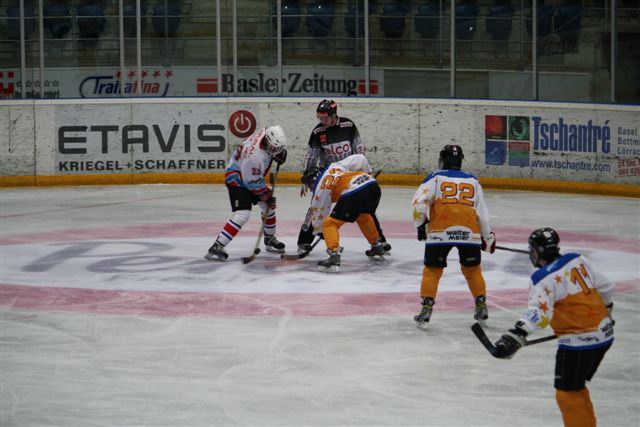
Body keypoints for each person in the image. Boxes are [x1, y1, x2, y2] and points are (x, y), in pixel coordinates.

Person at [492, 227, 615, 427]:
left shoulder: (541, 278)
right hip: (605, 333)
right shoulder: (577, 259)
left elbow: (540, 315)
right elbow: (607, 287)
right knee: (576, 387)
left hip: (579, 342)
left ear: (536, 252)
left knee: (567, 394)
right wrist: (607, 312)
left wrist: (518, 332)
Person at [411, 144, 496, 329]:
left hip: (440, 232)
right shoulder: (473, 180)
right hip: (469, 232)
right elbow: (482, 212)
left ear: (443, 159)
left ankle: (426, 309)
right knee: (473, 270)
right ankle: (481, 306)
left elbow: (419, 202)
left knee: (432, 270)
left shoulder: (435, 177)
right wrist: (486, 236)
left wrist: (420, 225)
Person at [297, 99, 390, 255]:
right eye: (320, 118)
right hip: (330, 175)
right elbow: (311, 156)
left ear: (334, 115)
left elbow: (359, 149)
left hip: (350, 173)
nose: (322, 121)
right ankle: (304, 241)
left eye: (325, 118)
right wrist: (306, 176)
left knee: (365, 209)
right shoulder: (318, 132)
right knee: (316, 207)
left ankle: (380, 241)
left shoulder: (348, 126)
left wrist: (364, 172)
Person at [204, 126, 288, 261]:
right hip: (237, 178)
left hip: (247, 172)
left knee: (268, 206)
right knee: (243, 214)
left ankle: (269, 239)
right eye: (273, 148)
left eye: (276, 148)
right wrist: (266, 194)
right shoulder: (254, 157)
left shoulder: (265, 132)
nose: (274, 151)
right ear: (267, 140)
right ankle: (217, 246)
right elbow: (251, 182)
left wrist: (277, 153)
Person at [301, 154, 385, 272]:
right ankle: (376, 246)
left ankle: (334, 255)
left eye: (309, 184)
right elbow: (360, 158)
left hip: (355, 191)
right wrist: (367, 173)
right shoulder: (334, 166)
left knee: (329, 223)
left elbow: (319, 217)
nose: (310, 188)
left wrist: (320, 231)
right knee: (363, 216)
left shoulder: (320, 187)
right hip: (372, 185)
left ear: (313, 180)